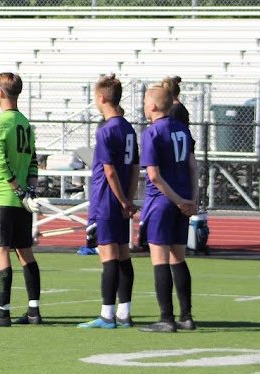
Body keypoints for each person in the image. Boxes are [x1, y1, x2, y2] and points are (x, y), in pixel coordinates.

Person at [0, 72, 42, 328]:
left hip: (4, 196)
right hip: (22, 198)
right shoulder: (25, 122)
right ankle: (34, 310)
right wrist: (29, 191)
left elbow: (1, 162)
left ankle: (2, 312)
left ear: (1, 92)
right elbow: (34, 161)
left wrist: (17, 190)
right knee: (24, 251)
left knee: (0, 250)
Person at [78, 75, 139, 329]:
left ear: (101, 98)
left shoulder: (106, 130)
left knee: (109, 256)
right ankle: (124, 313)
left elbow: (109, 171)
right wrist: (129, 198)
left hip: (106, 199)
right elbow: (135, 167)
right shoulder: (128, 128)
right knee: (123, 255)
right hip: (121, 199)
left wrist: (122, 200)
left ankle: (107, 314)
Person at [138, 84, 198, 333]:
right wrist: (192, 199)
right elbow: (194, 167)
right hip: (182, 201)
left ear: (152, 106)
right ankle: (186, 316)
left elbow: (153, 176)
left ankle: (166, 317)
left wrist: (176, 199)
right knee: (179, 258)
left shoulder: (152, 132)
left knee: (160, 259)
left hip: (162, 202)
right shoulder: (182, 130)